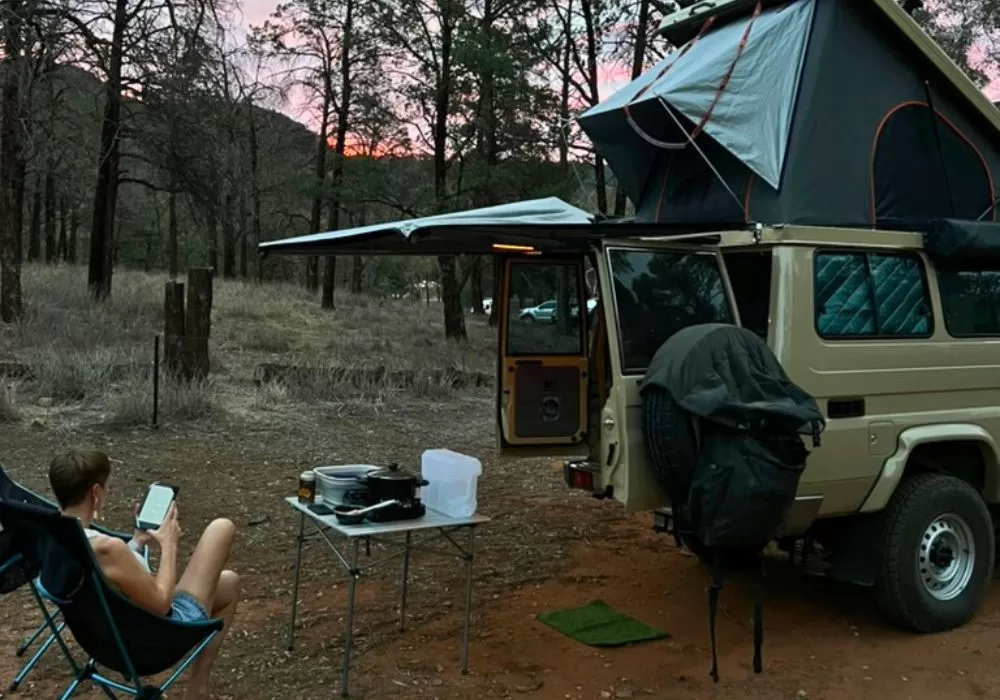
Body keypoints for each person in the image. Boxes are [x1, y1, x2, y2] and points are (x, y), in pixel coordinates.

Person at [47, 449, 240, 700]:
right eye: (106, 487)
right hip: (152, 639)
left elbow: (110, 575)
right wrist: (169, 544)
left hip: (103, 641)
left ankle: (198, 688)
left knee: (229, 585)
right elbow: (162, 604)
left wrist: (137, 542)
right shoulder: (107, 548)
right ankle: (197, 688)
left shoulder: (56, 536)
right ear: (95, 492)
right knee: (221, 528)